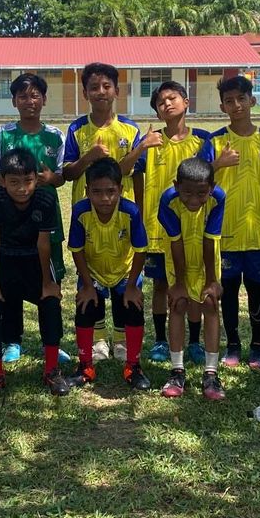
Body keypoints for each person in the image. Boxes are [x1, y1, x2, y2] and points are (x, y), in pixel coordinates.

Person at [123, 81, 211, 364]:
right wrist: (140, 147)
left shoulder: (202, 141)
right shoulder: (151, 141)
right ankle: (161, 340)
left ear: (186, 101)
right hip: (156, 228)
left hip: (193, 228)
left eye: (172, 98)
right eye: (160, 103)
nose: (167, 104)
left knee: (194, 283)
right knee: (161, 284)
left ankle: (195, 341)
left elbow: (211, 179)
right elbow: (124, 170)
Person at [0, 74, 67, 363]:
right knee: (11, 280)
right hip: (9, 221)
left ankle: (53, 339)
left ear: (44, 99)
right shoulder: (3, 134)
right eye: (23, 96)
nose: (29, 101)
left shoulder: (56, 135)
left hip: (45, 217)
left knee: (50, 277)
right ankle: (11, 340)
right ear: (14, 101)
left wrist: (51, 178)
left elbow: (61, 177)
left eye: (35, 95)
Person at [62, 62, 141, 362]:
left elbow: (136, 175)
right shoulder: (77, 129)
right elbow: (68, 173)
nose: (100, 92)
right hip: (88, 217)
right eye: (94, 87)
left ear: (117, 91)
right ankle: (97, 341)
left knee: (123, 275)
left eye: (106, 86)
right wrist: (89, 157)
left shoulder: (130, 129)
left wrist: (141, 211)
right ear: (85, 92)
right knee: (90, 277)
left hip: (121, 216)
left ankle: (121, 340)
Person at [0, 147, 69, 398]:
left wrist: (48, 283)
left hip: (34, 260)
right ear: (3, 181)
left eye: (27, 181)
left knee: (50, 303)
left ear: (36, 179)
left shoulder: (45, 200)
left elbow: (43, 243)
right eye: (14, 182)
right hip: (4, 259)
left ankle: (51, 369)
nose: (21, 188)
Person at [202, 75, 260, 370]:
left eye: (241, 99)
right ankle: (233, 345)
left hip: (259, 231)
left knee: (257, 289)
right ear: (223, 106)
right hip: (226, 232)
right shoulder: (216, 140)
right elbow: (199, 178)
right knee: (230, 289)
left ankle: (257, 347)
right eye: (230, 101)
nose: (236, 105)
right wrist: (217, 164)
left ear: (252, 100)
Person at [67, 157, 150, 390]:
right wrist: (87, 285)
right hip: (93, 272)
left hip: (124, 273)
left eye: (111, 191)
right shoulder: (80, 211)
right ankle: (85, 366)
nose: (105, 198)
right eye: (97, 192)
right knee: (85, 306)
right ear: (87, 191)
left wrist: (132, 286)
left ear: (121, 190)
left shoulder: (130, 211)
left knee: (133, 307)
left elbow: (141, 250)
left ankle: (133, 366)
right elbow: (77, 249)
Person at [158, 157, 226, 400]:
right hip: (178, 257)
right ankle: (177, 371)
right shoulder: (167, 201)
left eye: (201, 194)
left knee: (209, 304)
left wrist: (211, 281)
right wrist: (178, 284)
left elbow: (210, 241)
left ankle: (211, 374)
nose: (194, 200)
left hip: (206, 257)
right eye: (187, 193)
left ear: (211, 187)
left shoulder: (219, 197)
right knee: (179, 305)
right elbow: (176, 243)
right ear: (176, 186)